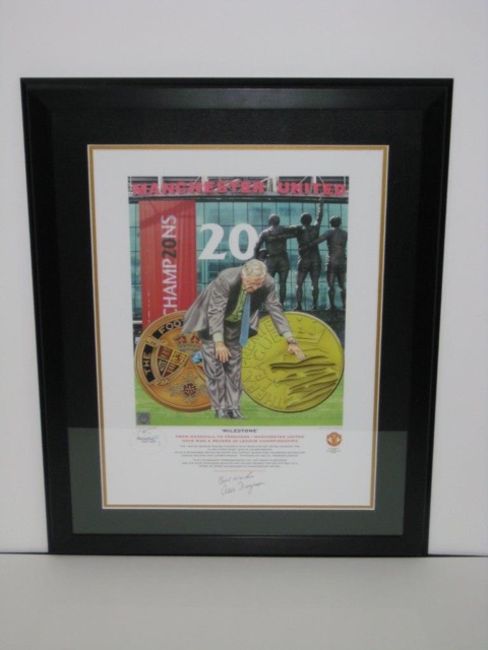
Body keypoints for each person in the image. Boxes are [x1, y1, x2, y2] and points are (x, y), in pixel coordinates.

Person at [182, 259, 304, 419]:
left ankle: (233, 408)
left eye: (258, 284)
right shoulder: (226, 279)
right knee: (215, 369)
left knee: (234, 370)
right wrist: (219, 343)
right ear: (243, 275)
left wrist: (290, 340)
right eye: (250, 283)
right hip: (211, 324)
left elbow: (275, 309)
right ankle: (220, 408)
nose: (254, 288)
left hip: (236, 327)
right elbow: (216, 311)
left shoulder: (268, 283)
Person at [253, 214, 291, 306]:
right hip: (283, 259)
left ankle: (268, 305)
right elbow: (298, 231)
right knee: (283, 283)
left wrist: (257, 258)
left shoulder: (265, 232)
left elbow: (256, 247)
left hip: (271, 259)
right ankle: (281, 304)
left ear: (270, 222)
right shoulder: (284, 230)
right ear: (279, 221)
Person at [294, 199, 324, 311]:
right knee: (315, 283)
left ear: (301, 221)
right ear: (310, 220)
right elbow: (319, 217)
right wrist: (321, 205)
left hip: (304, 259)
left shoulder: (299, 230)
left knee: (299, 284)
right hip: (315, 259)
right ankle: (315, 305)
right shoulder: (315, 228)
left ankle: (298, 305)